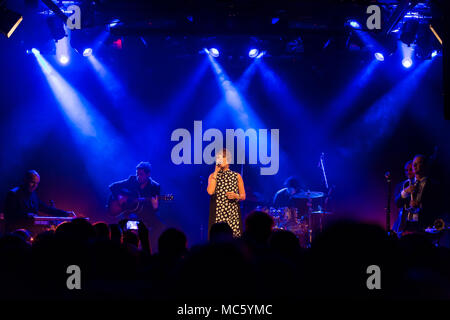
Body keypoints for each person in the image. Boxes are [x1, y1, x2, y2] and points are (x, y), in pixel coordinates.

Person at [109, 161, 162, 252]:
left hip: (145, 214)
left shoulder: (155, 186)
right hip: (129, 212)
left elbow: (155, 208)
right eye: (137, 174)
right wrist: (120, 197)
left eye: (141, 174)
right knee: (122, 226)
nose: (138, 177)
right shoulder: (132, 180)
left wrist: (155, 205)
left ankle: (147, 252)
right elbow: (113, 186)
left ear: (148, 174)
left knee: (159, 226)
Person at [3, 170, 72, 233]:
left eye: (37, 183)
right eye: (32, 182)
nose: (35, 186)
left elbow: (45, 208)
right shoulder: (13, 194)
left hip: (30, 231)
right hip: (16, 233)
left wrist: (65, 213)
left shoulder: (33, 194)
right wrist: (27, 215)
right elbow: (9, 216)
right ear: (25, 180)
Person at [396, 155, 443, 233]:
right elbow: (397, 203)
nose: (414, 165)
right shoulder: (407, 184)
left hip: (424, 226)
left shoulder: (434, 185)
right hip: (407, 226)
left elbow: (439, 207)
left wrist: (420, 205)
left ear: (425, 165)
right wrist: (405, 192)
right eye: (414, 163)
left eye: (418, 163)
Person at [207, 148, 246, 238]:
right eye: (218, 158)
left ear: (228, 160)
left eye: (222, 157)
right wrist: (216, 173)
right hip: (218, 214)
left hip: (232, 213)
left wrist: (236, 196)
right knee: (218, 240)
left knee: (234, 241)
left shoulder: (236, 176)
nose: (219, 160)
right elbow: (210, 191)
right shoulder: (212, 176)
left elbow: (243, 196)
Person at [393, 160, 415, 234]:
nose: (408, 172)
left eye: (410, 170)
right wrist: (405, 192)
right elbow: (397, 203)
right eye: (406, 170)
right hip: (404, 222)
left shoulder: (421, 183)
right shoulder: (399, 185)